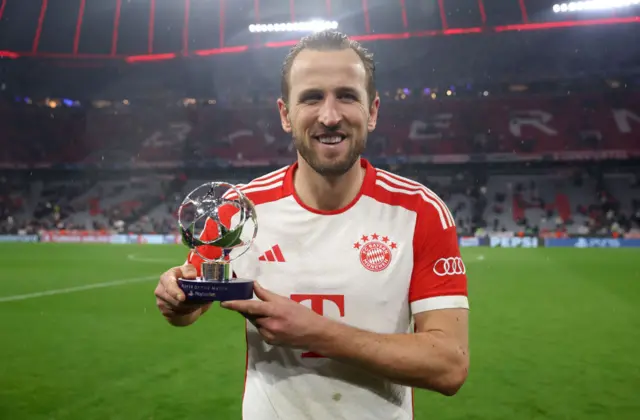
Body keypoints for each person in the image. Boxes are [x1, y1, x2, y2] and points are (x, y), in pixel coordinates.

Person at [155, 30, 469, 420]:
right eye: (312, 97)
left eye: (347, 95)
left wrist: (316, 333)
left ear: (372, 111)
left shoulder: (419, 211)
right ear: (286, 114)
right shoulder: (240, 208)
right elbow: (192, 300)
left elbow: (449, 365)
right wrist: (178, 295)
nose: (330, 115)